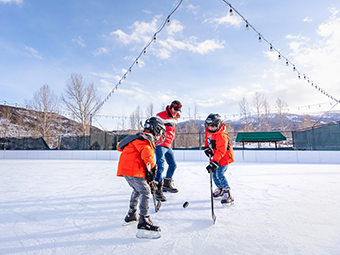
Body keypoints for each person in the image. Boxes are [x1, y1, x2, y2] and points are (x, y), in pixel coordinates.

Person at [117, 117, 166, 234]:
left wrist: (147, 174)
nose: (159, 137)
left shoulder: (139, 138)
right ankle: (144, 219)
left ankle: (132, 214)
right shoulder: (146, 140)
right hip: (133, 170)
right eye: (160, 133)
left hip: (128, 170)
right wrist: (152, 169)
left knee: (137, 190)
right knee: (146, 192)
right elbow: (148, 156)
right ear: (156, 130)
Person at [204, 113, 235, 205]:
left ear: (218, 125)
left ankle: (227, 193)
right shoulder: (209, 131)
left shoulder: (221, 135)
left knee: (220, 173)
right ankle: (221, 189)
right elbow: (207, 140)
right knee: (214, 174)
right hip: (216, 157)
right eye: (209, 125)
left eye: (213, 126)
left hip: (225, 157)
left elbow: (221, 151)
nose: (211, 128)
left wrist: (214, 162)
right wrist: (206, 148)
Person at [154, 100, 182, 202]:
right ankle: (157, 187)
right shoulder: (160, 116)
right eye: (175, 109)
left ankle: (166, 184)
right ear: (170, 107)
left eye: (178, 110)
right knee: (160, 165)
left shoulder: (175, 118)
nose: (176, 112)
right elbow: (154, 128)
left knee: (173, 165)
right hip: (160, 144)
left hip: (168, 145)